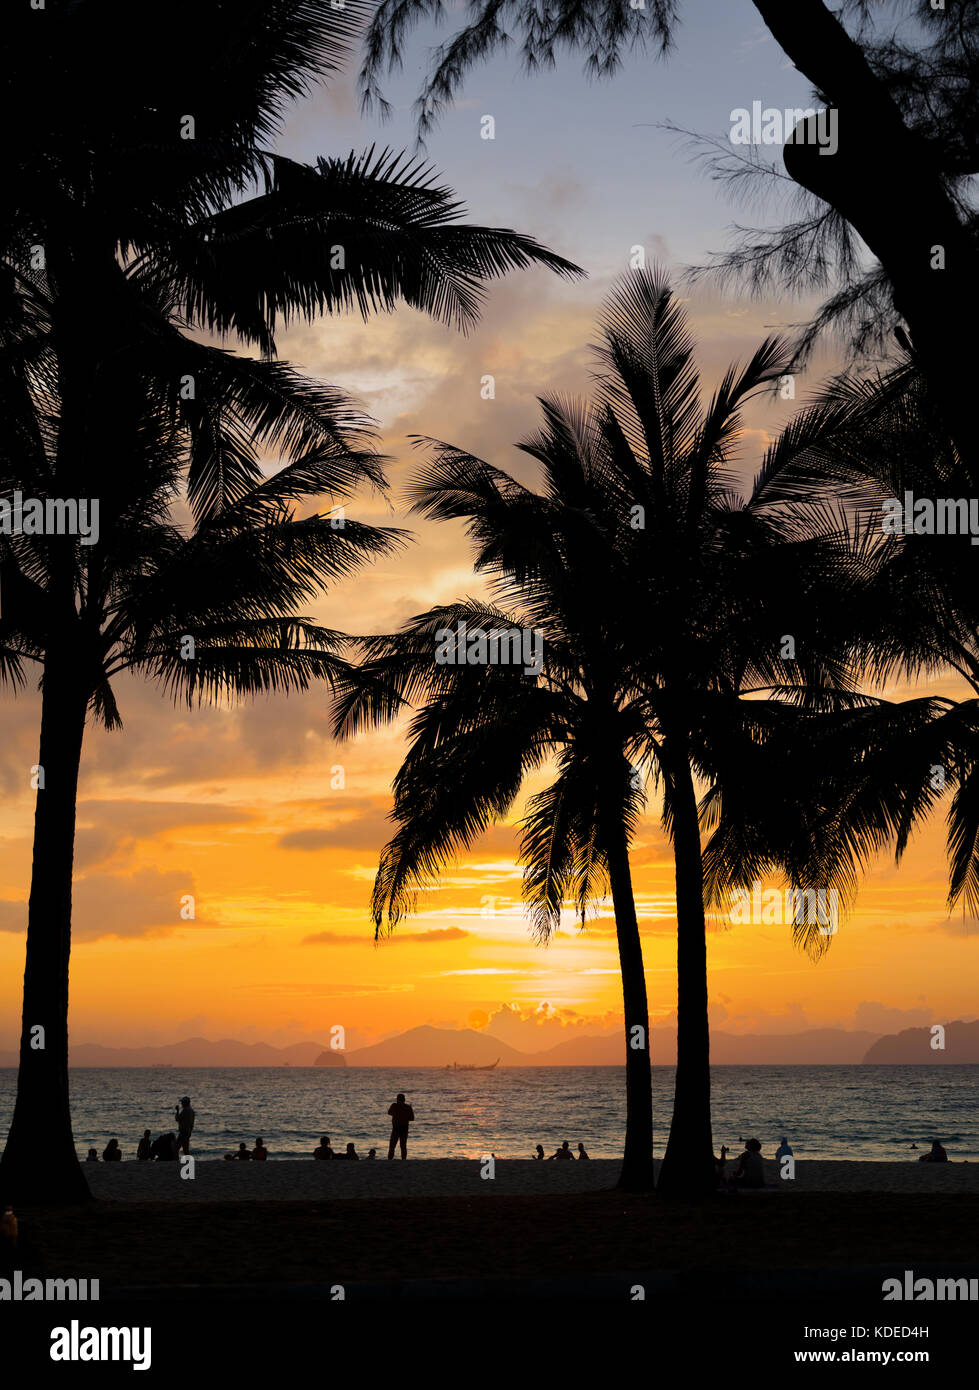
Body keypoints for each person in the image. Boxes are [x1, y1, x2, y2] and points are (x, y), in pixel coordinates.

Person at [387, 1093, 415, 1160]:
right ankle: (402, 1160)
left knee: (394, 1146)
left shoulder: (395, 1106)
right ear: (404, 1100)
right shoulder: (407, 1107)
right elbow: (412, 1118)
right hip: (402, 1129)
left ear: (397, 1100)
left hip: (398, 1129)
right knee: (401, 1146)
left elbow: (389, 1112)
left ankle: (391, 1159)